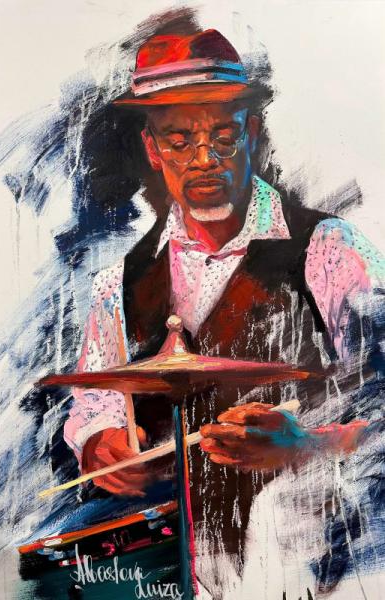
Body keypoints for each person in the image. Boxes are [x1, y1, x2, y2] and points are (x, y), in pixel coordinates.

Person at [64, 29, 384, 599]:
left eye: (223, 137)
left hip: (314, 565)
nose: (204, 159)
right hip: (175, 572)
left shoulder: (330, 250)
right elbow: (94, 408)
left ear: (252, 133)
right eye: (180, 140)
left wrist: (307, 445)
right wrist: (100, 445)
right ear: (152, 148)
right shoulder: (119, 283)